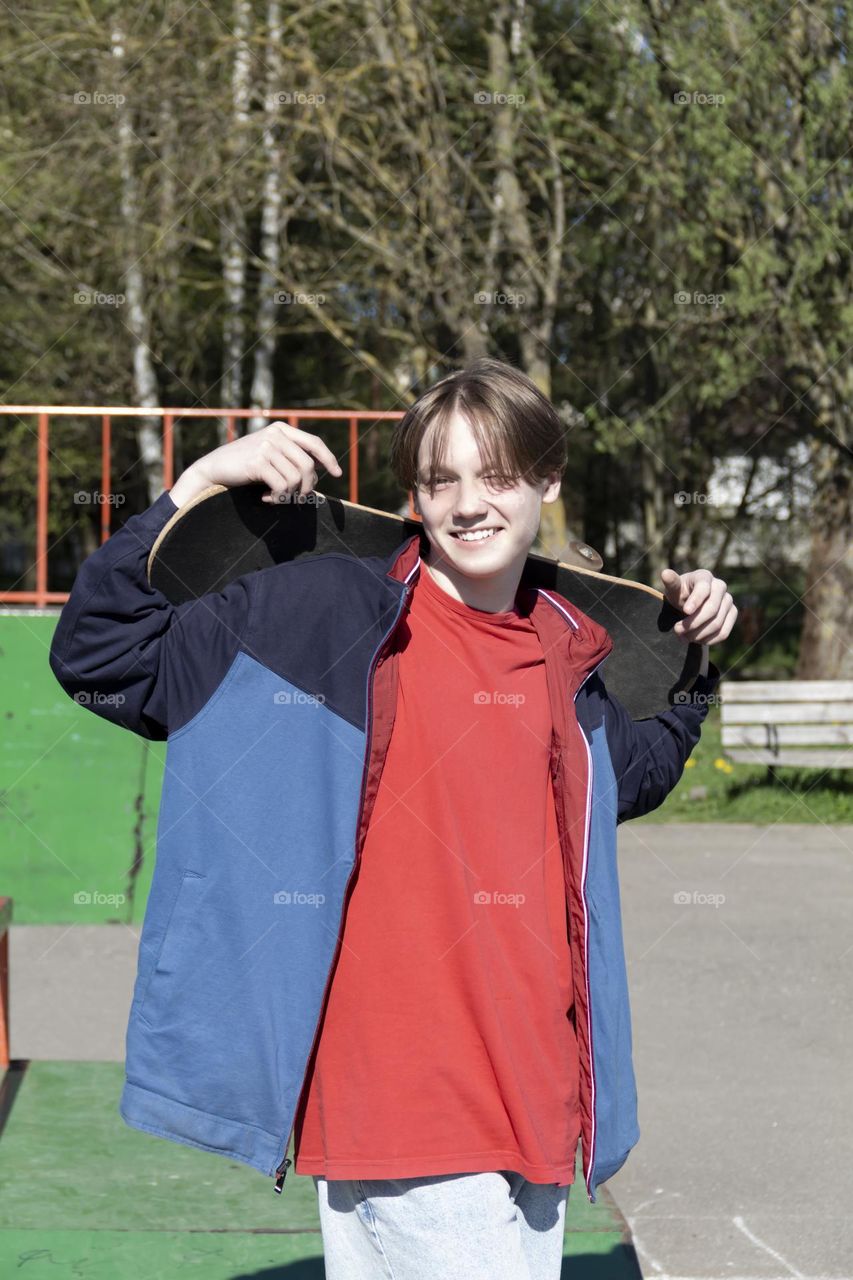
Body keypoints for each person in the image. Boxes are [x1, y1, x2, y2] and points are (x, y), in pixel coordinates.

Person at [49, 357, 736, 1279]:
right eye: (440, 480)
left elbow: (633, 776)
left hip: (538, 1099)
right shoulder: (323, 617)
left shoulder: (567, 655)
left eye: (495, 477)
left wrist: (691, 663)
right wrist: (200, 482)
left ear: (546, 482)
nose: (468, 504)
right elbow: (105, 657)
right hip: (404, 1102)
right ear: (413, 494)